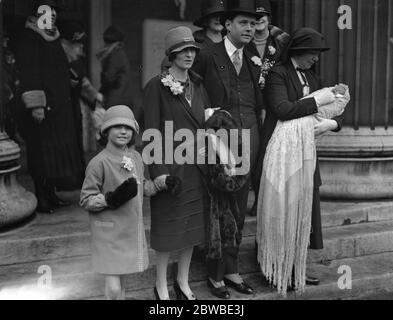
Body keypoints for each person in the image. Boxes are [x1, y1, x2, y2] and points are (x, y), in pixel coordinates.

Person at [256, 28, 349, 295]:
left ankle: (296, 267)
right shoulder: (278, 74)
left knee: (304, 215)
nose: (316, 60)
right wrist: (316, 99)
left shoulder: (310, 75)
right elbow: (282, 109)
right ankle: (274, 268)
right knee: (280, 211)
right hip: (281, 156)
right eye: (313, 54)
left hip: (305, 155)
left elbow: (324, 109)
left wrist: (334, 123)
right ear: (298, 51)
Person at [192, 0, 264, 299]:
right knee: (219, 206)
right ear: (227, 25)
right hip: (219, 141)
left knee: (239, 206)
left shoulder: (252, 57)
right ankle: (215, 274)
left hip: (249, 140)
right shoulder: (208, 55)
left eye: (253, 24)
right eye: (244, 23)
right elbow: (192, 92)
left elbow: (257, 102)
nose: (250, 28)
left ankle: (232, 270)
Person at [143, 26, 209, 300]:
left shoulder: (199, 84)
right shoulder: (155, 87)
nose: (189, 55)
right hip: (170, 170)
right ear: (171, 54)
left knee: (192, 229)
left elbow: (205, 124)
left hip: (197, 168)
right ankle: (160, 285)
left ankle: (182, 282)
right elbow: (150, 133)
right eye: (183, 51)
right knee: (168, 229)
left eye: (192, 49)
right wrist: (159, 173)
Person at [80, 106, 159, 300]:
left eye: (128, 127)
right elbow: (85, 199)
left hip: (129, 230)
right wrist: (110, 199)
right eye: (117, 126)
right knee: (114, 287)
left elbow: (142, 187)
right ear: (106, 131)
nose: (123, 131)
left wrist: (162, 184)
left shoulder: (136, 158)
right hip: (109, 234)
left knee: (121, 284)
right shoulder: (99, 163)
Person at [16, 0, 85, 214]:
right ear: (37, 13)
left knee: (54, 154)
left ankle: (51, 193)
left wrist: (71, 81)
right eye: (47, 10)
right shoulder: (31, 37)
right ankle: (41, 195)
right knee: (41, 152)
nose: (52, 13)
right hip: (43, 108)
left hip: (59, 107)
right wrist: (36, 105)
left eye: (54, 10)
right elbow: (31, 73)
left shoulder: (53, 36)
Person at [245, 0, 290, 216]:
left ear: (269, 18)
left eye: (263, 16)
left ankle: (262, 200)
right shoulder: (243, 43)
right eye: (255, 17)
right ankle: (250, 197)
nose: (259, 19)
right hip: (250, 102)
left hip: (273, 103)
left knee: (267, 153)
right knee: (252, 152)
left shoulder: (280, 41)